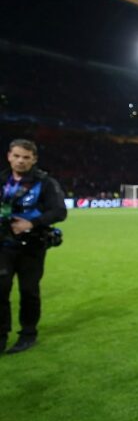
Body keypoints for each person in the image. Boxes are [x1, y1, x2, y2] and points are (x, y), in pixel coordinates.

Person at [0, 139, 67, 354]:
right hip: (3, 244)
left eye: (26, 157)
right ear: (9, 156)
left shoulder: (45, 183)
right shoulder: (2, 180)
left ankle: (28, 334)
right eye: (16, 156)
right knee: (1, 289)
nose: (20, 161)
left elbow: (59, 211)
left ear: (34, 159)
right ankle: (1, 336)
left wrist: (31, 223)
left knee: (28, 290)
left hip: (31, 246)